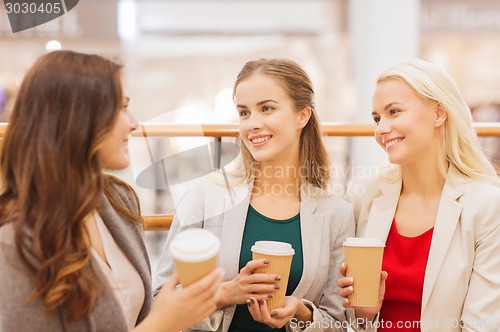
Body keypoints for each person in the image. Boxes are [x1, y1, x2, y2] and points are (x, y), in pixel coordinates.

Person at [0, 50, 223, 332]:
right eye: (121, 107)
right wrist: (162, 324)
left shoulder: (119, 199)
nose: (133, 123)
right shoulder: (16, 239)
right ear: (77, 117)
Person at [154, 58, 355, 332]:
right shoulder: (206, 195)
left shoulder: (336, 214)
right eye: (244, 112)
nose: (252, 124)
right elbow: (158, 301)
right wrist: (226, 293)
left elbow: (342, 324)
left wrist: (301, 312)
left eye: (267, 109)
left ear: (302, 116)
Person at [338, 59, 500, 331]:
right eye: (377, 118)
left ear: (438, 113)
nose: (380, 129)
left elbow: (483, 325)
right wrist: (364, 315)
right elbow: (351, 322)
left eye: (394, 112)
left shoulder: (487, 206)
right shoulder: (363, 197)